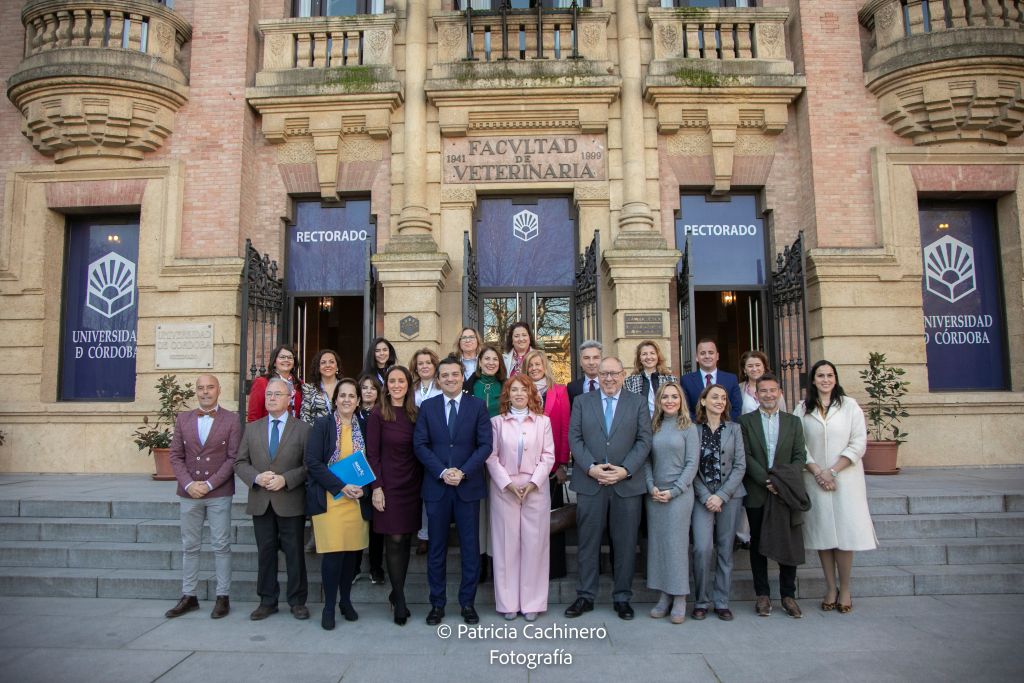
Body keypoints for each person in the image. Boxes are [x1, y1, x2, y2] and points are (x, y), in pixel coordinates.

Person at [565, 356, 653, 621]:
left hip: (626, 484)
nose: (609, 378)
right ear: (597, 375)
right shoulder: (582, 402)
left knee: (625, 543)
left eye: (614, 373)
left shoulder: (636, 403)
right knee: (588, 542)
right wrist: (591, 467)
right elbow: (574, 437)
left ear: (623, 374)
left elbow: (644, 440)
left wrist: (624, 470)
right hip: (590, 483)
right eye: (604, 374)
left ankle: (622, 597)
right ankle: (585, 596)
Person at [413, 356, 493, 626]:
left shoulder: (477, 406)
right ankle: (437, 604)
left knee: (470, 548)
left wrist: (463, 471)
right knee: (436, 548)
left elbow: (485, 446)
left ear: (462, 377)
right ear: (438, 379)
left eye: (454, 374)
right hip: (437, 487)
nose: (450, 379)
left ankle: (467, 603)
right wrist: (443, 472)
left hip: (467, 487)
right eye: (444, 375)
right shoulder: (428, 407)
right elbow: (420, 445)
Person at [794, 360, 877, 614]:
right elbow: (799, 444)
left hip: (845, 480)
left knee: (844, 535)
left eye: (830, 375)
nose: (825, 380)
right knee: (824, 535)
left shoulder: (850, 406)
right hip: (815, 479)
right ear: (813, 380)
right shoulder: (803, 409)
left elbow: (858, 442)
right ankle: (830, 587)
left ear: (836, 379)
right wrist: (818, 471)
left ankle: (846, 588)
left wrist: (833, 471)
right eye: (820, 375)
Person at [165, 374, 242, 620]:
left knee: (221, 545)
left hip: (218, 491)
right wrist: (188, 484)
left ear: (219, 390)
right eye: (201, 388)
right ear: (196, 392)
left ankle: (223, 596)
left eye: (210, 387)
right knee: (190, 546)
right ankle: (189, 595)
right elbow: (175, 455)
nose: (205, 392)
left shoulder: (232, 419)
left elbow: (233, 458)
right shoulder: (183, 419)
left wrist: (209, 484)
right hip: (189, 494)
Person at [234, 377, 312, 621]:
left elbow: (309, 466)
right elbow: (240, 462)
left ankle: (298, 601)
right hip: (261, 500)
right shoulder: (252, 428)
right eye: (268, 394)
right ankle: (267, 600)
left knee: (295, 553)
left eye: (277, 394)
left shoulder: (303, 429)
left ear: (289, 399)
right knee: (265, 552)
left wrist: (286, 479)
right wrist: (256, 478)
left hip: (290, 501)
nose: (271, 398)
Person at [304, 378, 371, 630]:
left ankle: (346, 601)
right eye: (342, 395)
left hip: (355, 501)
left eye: (351, 396)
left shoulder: (363, 426)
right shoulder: (322, 425)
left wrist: (362, 488)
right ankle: (329, 606)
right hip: (330, 499)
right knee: (333, 556)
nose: (346, 400)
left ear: (358, 400)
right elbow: (313, 462)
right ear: (336, 399)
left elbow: (370, 460)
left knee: (351, 556)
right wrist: (340, 486)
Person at [487, 374, 555, 621]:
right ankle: (507, 603)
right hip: (505, 490)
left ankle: (532, 603)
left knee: (534, 546)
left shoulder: (542, 422)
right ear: (507, 394)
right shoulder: (496, 423)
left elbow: (549, 455)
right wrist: (506, 483)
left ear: (530, 394)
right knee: (506, 546)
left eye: (523, 390)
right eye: (514, 390)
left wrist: (534, 482)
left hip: (534, 489)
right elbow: (491, 456)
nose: (518, 394)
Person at [739, 372, 806, 618]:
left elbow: (799, 456)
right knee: (758, 544)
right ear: (756, 395)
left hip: (785, 492)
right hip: (758, 491)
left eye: (772, 390)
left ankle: (788, 595)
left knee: (787, 543)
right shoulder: (745, 422)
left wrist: (781, 481)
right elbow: (745, 455)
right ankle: (763, 595)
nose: (768, 395)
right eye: (763, 391)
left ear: (779, 393)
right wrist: (766, 480)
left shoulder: (793, 422)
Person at [366, 365, 423, 626]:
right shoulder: (378, 414)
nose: (397, 385)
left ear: (408, 385)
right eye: (392, 381)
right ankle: (399, 599)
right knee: (394, 539)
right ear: (386, 385)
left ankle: (395, 592)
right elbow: (372, 454)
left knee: (406, 539)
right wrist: (376, 487)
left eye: (402, 381)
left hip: (411, 485)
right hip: (387, 485)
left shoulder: (416, 413)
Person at [690, 383, 746, 622]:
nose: (720, 401)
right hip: (702, 497)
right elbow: (690, 467)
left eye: (723, 398)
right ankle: (701, 600)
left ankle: (721, 601)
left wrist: (721, 495)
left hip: (730, 497)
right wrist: (706, 496)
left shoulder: (734, 429)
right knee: (702, 549)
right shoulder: (693, 430)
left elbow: (740, 465)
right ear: (703, 400)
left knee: (725, 550)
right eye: (714, 397)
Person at [644, 382, 698, 624]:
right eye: (665, 397)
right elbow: (646, 461)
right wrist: (651, 486)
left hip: (679, 495)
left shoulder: (688, 428)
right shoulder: (653, 426)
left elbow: (691, 464)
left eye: (674, 397)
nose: (669, 401)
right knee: (659, 546)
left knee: (677, 545)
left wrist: (674, 491)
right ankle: (664, 595)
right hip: (655, 494)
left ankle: (680, 597)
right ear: (658, 400)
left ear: (681, 400)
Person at [523, 349, 571, 579]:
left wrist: (562, 463)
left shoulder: (560, 391)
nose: (534, 368)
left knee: (553, 518)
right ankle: (531, 568)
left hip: (552, 468)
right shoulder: (521, 391)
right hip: (525, 467)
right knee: (530, 522)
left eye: (538, 364)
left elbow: (564, 428)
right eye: (530, 365)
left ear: (545, 366)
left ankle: (555, 568)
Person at [354, 373, 385, 585]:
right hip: (355, 474)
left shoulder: (382, 413)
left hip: (375, 474)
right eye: (364, 388)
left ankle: (376, 567)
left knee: (375, 525)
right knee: (357, 523)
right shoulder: (351, 414)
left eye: (372, 388)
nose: (368, 391)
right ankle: (354, 567)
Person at [410, 347, 442, 554]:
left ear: (434, 365)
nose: (424, 366)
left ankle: (431, 534)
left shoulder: (442, 387)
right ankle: (421, 533)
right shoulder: (411, 389)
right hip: (412, 445)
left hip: (436, 446)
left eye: (428, 363)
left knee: (433, 492)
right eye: (420, 363)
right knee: (418, 490)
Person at [681, 338, 743, 422]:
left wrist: (720, 426)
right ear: (696, 357)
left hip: (725, 430)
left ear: (717, 356)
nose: (707, 356)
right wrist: (702, 426)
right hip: (697, 430)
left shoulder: (731, 379)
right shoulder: (686, 380)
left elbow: (737, 408)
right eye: (703, 353)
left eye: (711, 352)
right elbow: (685, 409)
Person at [247, 345, 302, 422]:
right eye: (282, 357)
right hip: (268, 430)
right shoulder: (262, 382)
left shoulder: (299, 384)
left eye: (290, 357)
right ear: (274, 362)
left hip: (294, 430)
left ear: (294, 363)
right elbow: (253, 415)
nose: (286, 360)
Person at [624, 339, 678, 417]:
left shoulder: (670, 379)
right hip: (640, 425)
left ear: (658, 356)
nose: (649, 357)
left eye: (652, 353)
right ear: (639, 358)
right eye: (644, 354)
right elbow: (629, 407)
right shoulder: (630, 381)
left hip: (664, 423)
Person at [464, 343, 507, 417]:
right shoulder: (468, 386)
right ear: (480, 362)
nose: (491, 363)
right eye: (487, 358)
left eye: (495, 359)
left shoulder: (507, 386)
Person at [300, 349, 341, 425]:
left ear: (337, 367)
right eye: (323, 362)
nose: (327, 365)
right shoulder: (308, 388)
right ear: (318, 367)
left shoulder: (345, 387)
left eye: (331, 362)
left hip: (341, 432)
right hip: (316, 433)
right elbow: (304, 416)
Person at [739, 350, 787, 415]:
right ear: (744, 370)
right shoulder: (739, 388)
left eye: (758, 365)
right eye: (750, 366)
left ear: (764, 367)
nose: (754, 369)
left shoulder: (774, 388)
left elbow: (783, 413)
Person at [566, 339, 602, 408]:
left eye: (596, 358)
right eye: (586, 358)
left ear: (601, 360)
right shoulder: (572, 387)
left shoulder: (611, 384)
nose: (591, 362)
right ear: (580, 362)